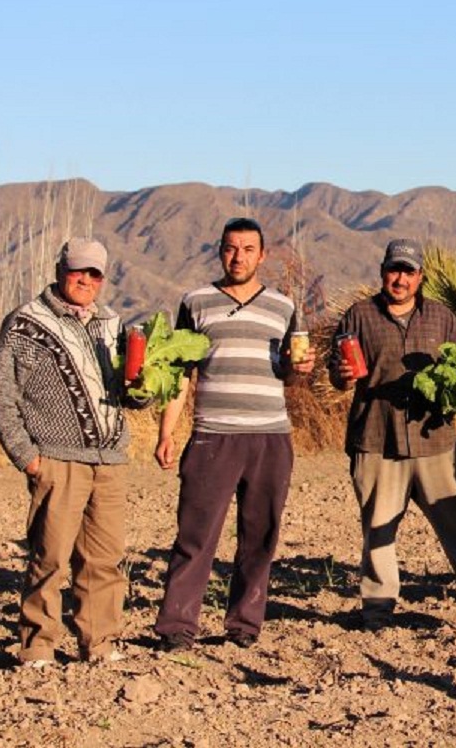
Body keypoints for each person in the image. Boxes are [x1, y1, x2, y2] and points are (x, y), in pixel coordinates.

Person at [329, 238, 456, 629]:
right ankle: (377, 612)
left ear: (420, 277)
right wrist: (343, 376)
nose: (400, 278)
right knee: (378, 531)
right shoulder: (358, 316)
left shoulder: (442, 319)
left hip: (437, 444)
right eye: (394, 270)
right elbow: (338, 374)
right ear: (382, 272)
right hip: (379, 440)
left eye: (408, 272)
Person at [153, 217, 315, 651]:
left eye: (247, 249)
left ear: (262, 256)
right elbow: (180, 371)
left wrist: (300, 371)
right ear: (219, 251)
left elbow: (288, 375)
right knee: (195, 537)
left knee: (259, 537)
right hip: (213, 436)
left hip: (270, 437)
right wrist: (167, 432)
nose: (238, 256)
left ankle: (244, 625)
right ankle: (177, 628)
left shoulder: (282, 306)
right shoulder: (196, 302)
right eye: (230, 248)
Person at [0, 238, 137, 667]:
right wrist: (26, 455)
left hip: (109, 461)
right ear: (59, 269)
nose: (85, 280)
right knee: (49, 558)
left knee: (104, 560)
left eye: (94, 274)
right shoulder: (27, 323)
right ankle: (38, 646)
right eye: (77, 271)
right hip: (56, 458)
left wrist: (140, 392)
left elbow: (127, 394)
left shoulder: (112, 324)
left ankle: (99, 643)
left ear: (103, 279)